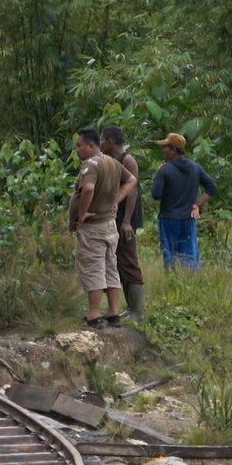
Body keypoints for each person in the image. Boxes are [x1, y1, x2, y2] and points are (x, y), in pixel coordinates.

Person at [69, 127, 137, 329]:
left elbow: (88, 188)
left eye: (80, 146)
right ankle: (114, 313)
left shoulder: (91, 165)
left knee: (94, 268)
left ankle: (94, 315)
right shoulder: (113, 163)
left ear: (91, 145)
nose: (78, 150)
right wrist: (116, 199)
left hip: (93, 227)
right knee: (111, 268)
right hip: (109, 225)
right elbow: (132, 180)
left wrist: (82, 214)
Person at [151, 133, 217, 270]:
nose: (164, 150)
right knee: (189, 254)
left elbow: (156, 195)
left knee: (170, 254)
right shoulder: (195, 168)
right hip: (189, 218)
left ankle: (171, 281)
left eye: (167, 147)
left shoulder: (165, 170)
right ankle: (189, 281)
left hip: (169, 218)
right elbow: (212, 188)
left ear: (174, 149)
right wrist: (198, 205)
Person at [100, 126, 145, 320]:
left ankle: (137, 311)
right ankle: (129, 307)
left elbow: (133, 191)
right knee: (117, 261)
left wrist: (127, 221)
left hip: (127, 217)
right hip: (114, 217)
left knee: (128, 260)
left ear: (110, 141)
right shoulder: (109, 160)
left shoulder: (127, 160)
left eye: (102, 140)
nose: (100, 144)